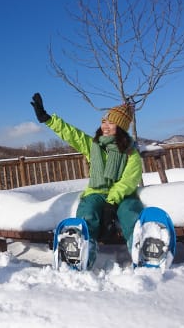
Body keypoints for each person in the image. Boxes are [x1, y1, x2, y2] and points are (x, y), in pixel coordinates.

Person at [30, 92, 143, 269]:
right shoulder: (94, 146)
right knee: (88, 211)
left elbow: (130, 178)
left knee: (130, 212)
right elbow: (72, 134)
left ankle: (141, 247)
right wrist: (48, 119)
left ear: (121, 127)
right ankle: (82, 251)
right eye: (104, 121)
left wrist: (113, 197)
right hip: (97, 193)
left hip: (123, 195)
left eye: (111, 123)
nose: (105, 126)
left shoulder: (131, 152)